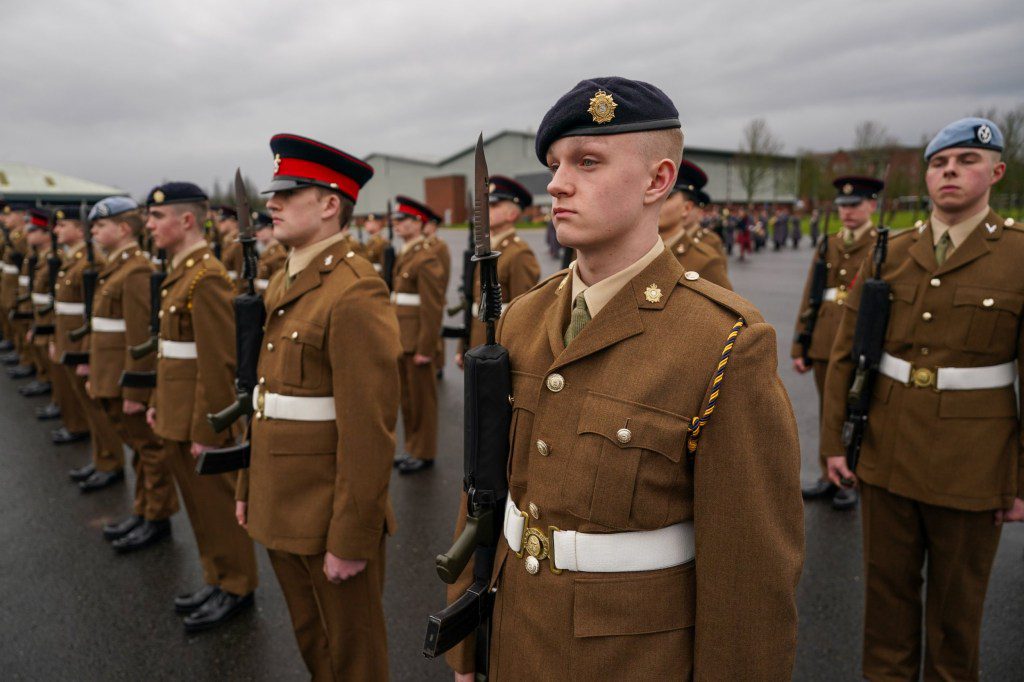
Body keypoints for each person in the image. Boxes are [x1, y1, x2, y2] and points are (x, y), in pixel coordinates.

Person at [446, 76, 803, 681]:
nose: (557, 184)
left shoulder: (724, 342)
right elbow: (485, 489)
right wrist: (465, 642)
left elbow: (749, 577)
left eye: (587, 162)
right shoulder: (523, 319)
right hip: (515, 638)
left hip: (631, 658)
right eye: (556, 165)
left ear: (658, 180)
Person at [822, 117, 1023, 681]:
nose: (950, 172)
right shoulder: (892, 251)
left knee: (955, 622)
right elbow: (847, 351)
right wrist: (834, 444)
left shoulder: (1017, 255)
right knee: (885, 610)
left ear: (995, 172)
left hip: (975, 465)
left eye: (966, 161)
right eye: (939, 164)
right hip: (887, 451)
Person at [235, 132, 400, 681]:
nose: (271, 203)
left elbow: (369, 432)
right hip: (281, 499)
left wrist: (352, 537)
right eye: (273, 192)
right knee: (314, 643)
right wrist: (246, 487)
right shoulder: (288, 276)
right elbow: (264, 397)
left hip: (328, 514)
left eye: (289, 192)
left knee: (353, 655)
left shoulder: (354, 291)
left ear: (330, 205)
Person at [144, 182, 258, 632]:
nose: (149, 225)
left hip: (198, 417)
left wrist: (209, 429)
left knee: (214, 505)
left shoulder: (205, 276)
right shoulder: (181, 271)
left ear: (186, 220)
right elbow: (170, 350)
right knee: (198, 505)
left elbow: (218, 361)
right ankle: (217, 577)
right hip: (176, 407)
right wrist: (156, 402)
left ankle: (237, 585)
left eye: (157, 217)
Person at [79, 196, 179, 550]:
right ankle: (143, 509)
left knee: (148, 450)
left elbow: (141, 337)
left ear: (123, 229)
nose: (93, 232)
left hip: (126, 380)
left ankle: (157, 517)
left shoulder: (136, 270)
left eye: (100, 225)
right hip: (111, 375)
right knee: (137, 449)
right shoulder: (116, 266)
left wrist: (137, 391)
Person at [794, 175, 883, 511]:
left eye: (855, 205)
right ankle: (828, 474)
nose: (847, 212)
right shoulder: (828, 243)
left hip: (859, 341)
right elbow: (811, 295)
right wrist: (800, 345)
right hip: (824, 340)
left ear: (872, 205)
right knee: (828, 409)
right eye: (843, 206)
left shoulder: (882, 244)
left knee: (857, 411)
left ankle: (852, 477)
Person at [50, 205, 127, 489]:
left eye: (62, 226)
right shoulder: (78, 261)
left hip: (88, 345)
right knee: (89, 406)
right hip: (73, 339)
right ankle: (101, 458)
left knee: (98, 409)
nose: (57, 231)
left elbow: (89, 314)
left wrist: (86, 352)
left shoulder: (90, 263)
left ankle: (109, 460)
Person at [454, 174, 541, 365]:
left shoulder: (519, 254)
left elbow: (525, 315)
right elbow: (473, 301)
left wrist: (518, 359)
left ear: (512, 214)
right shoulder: (484, 249)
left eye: (493, 206)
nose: (485, 210)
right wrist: (464, 346)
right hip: (477, 340)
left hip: (502, 344)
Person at [389, 196, 445, 474]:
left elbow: (432, 308)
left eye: (402, 220)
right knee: (409, 400)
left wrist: (427, 347)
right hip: (403, 339)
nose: (396, 224)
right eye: (396, 220)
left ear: (418, 223)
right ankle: (412, 448)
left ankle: (424, 452)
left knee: (422, 401)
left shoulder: (426, 257)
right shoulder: (407, 253)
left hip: (417, 343)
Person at [657, 160, 732, 289]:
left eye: (667, 196)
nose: (655, 201)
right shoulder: (638, 252)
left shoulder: (705, 260)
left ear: (687, 208)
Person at [423, 210, 451, 374]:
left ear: (433, 226)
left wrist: (439, 295)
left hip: (436, 295)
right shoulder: (423, 244)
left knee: (437, 330)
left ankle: (438, 363)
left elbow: (444, 273)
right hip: (426, 293)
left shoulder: (440, 246)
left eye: (427, 223)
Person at [252, 211, 285, 292]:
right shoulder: (266, 252)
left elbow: (280, 285)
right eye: (256, 229)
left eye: (260, 229)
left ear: (271, 228)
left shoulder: (279, 254)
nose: (257, 233)